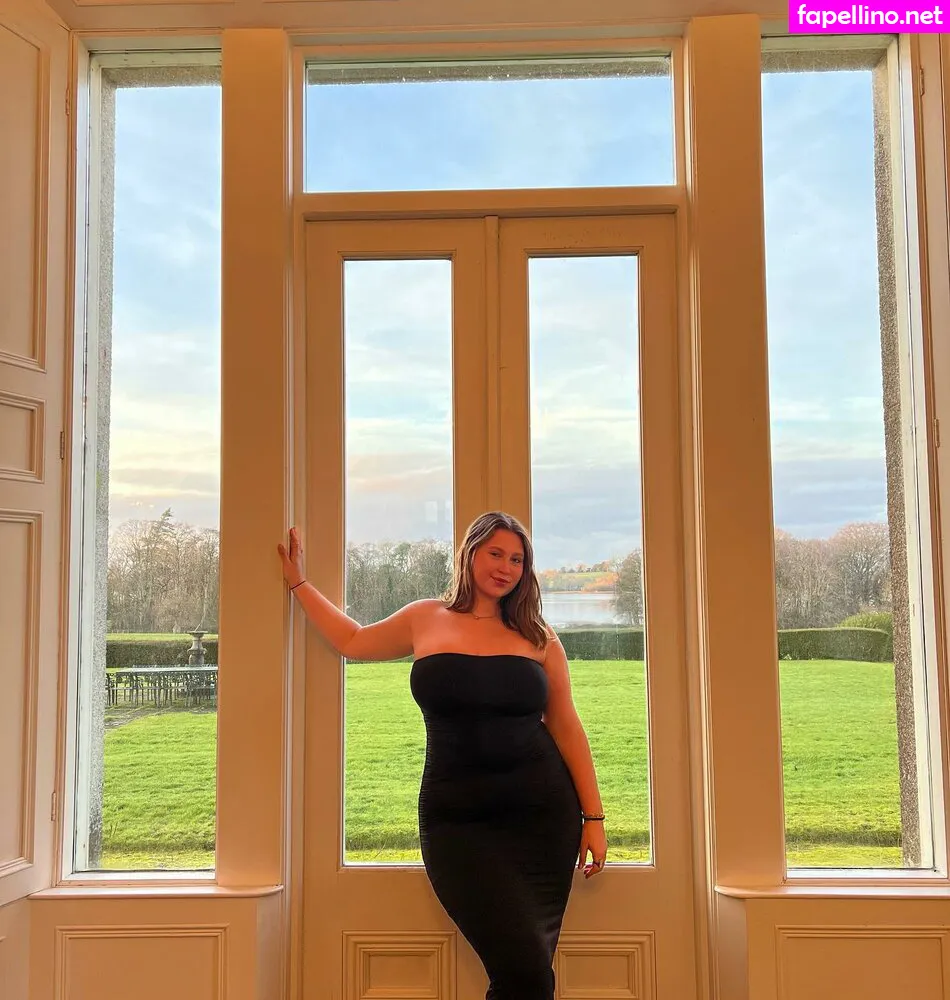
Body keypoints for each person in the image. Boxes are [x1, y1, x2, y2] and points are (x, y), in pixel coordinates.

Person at [277, 510, 607, 1000]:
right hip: (458, 821)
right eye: (495, 553)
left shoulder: (539, 636)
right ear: (469, 553)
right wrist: (300, 584)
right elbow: (352, 640)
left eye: (517, 559)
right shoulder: (424, 617)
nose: (506, 567)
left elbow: (565, 726)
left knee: (527, 972)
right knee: (525, 973)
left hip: (540, 816)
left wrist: (593, 817)